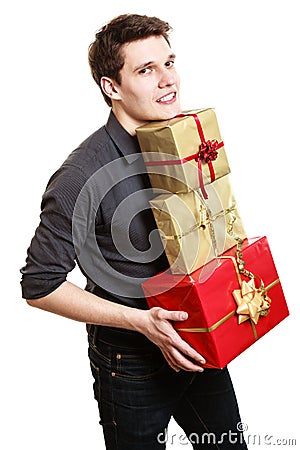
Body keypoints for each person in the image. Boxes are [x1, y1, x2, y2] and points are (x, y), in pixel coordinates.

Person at [20, 13, 247, 449]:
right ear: (112, 87)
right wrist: (142, 323)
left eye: (169, 62)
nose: (168, 80)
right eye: (146, 70)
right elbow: (39, 285)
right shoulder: (80, 175)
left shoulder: (185, 140)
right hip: (131, 358)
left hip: (197, 336)